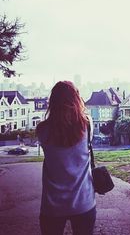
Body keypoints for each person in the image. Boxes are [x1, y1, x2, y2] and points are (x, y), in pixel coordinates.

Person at [36, 81, 96, 235]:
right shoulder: (88, 125)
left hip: (52, 205)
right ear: (77, 99)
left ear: (52, 102)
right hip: (84, 202)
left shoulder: (42, 129)